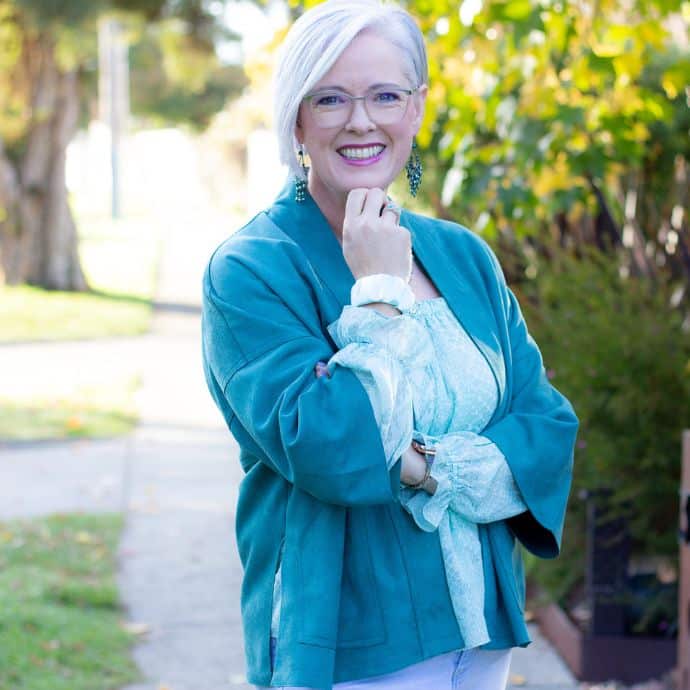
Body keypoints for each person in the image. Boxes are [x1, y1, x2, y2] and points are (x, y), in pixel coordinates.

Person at [201, 1, 578, 688]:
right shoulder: (252, 270)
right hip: (350, 644)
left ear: (417, 109)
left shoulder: (462, 254)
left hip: (482, 631)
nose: (361, 120)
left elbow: (545, 427)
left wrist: (424, 467)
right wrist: (378, 291)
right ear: (297, 119)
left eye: (384, 95)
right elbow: (332, 445)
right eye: (332, 97)